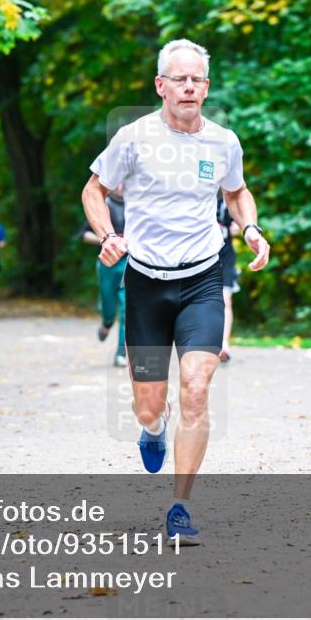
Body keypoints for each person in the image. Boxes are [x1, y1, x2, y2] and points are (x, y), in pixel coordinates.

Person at [81, 39, 270, 543]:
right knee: (149, 406)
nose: (189, 86)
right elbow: (93, 189)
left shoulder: (224, 142)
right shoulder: (134, 137)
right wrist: (108, 236)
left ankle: (180, 506)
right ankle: (152, 429)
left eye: (197, 79)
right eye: (179, 79)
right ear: (161, 86)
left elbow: (236, 191)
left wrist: (250, 228)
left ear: (206, 87)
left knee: (197, 389)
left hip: (202, 280)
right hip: (145, 283)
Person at [81, 186, 128, 367]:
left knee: (127, 308)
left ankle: (121, 353)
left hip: (129, 263)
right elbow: (84, 234)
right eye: (117, 183)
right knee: (109, 304)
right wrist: (107, 240)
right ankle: (107, 322)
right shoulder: (104, 204)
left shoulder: (135, 205)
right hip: (108, 263)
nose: (120, 187)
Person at [216, 191, 241, 362]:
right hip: (201, 258)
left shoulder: (229, 199)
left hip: (225, 258)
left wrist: (238, 226)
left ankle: (224, 344)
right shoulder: (198, 196)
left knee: (226, 301)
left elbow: (241, 221)